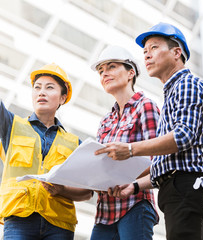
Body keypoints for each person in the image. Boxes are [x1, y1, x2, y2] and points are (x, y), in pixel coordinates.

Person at [0, 38, 92, 239]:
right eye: (37, 87)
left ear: (63, 97)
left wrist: (62, 190)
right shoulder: (12, 126)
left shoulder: (75, 144)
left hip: (59, 224)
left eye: (50, 88)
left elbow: (87, 192)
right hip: (19, 220)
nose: (41, 92)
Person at [97, 23, 203, 240]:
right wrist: (133, 186)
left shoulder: (187, 84)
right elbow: (166, 165)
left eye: (153, 48)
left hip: (185, 187)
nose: (147, 56)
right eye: (144, 52)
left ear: (176, 52)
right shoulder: (171, 94)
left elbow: (183, 136)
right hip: (175, 190)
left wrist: (131, 149)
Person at [89, 45, 160, 240]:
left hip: (134, 206)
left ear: (130, 73)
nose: (105, 73)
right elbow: (101, 165)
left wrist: (125, 180)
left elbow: (158, 159)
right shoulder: (106, 121)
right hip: (104, 213)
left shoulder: (145, 107)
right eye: (101, 71)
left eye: (111, 67)